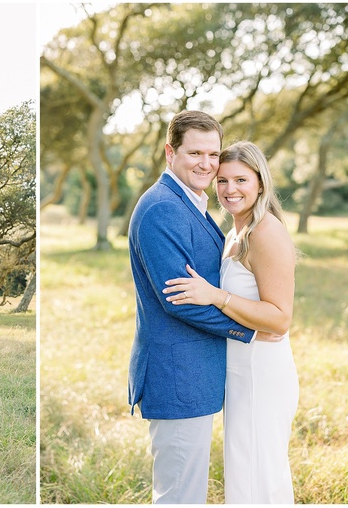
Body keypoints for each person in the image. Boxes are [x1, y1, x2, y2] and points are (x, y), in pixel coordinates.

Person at [127, 110, 257, 504]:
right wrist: (250, 329)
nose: (206, 163)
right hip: (178, 375)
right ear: (170, 153)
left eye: (213, 154)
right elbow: (179, 301)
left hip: (195, 374)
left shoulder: (192, 202)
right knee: (179, 496)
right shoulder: (162, 207)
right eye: (195, 152)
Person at [163, 141, 299, 503]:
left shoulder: (265, 233)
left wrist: (216, 296)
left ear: (260, 183)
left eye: (241, 179)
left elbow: (280, 319)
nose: (229, 189)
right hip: (238, 370)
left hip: (261, 372)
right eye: (222, 181)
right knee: (243, 473)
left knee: (258, 475)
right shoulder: (232, 234)